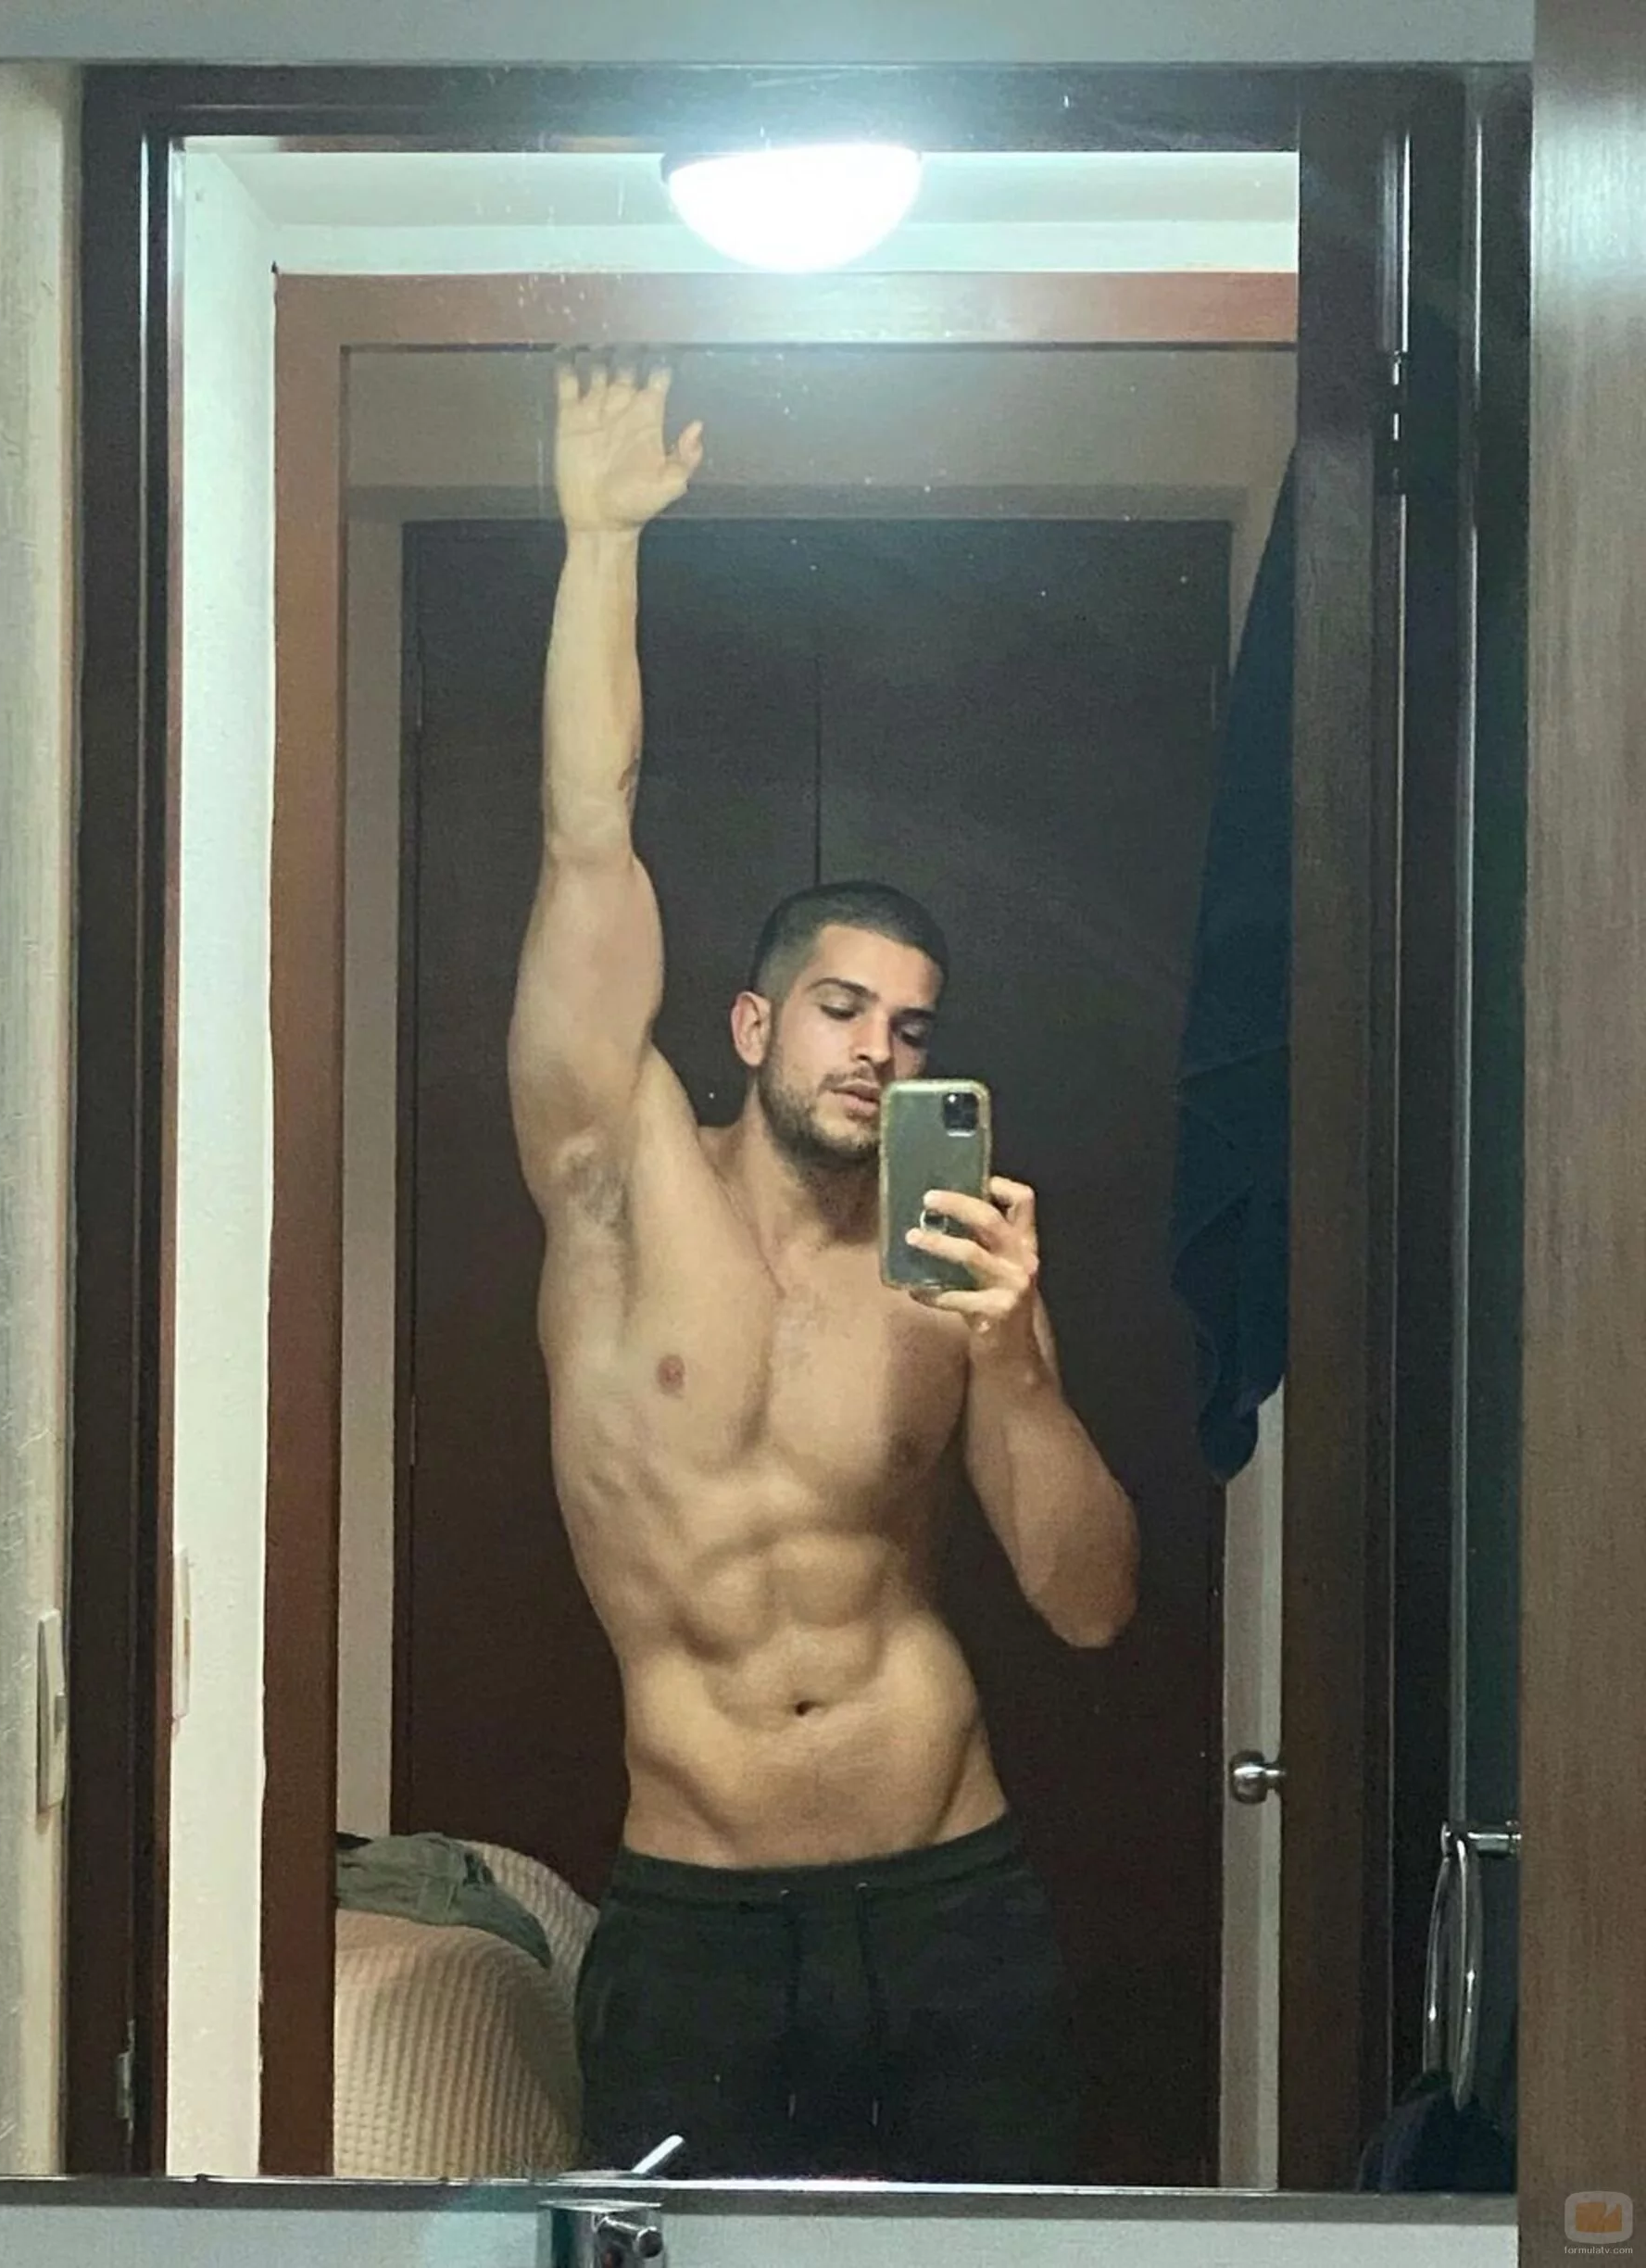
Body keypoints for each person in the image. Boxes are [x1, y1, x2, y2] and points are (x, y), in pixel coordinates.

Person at [509, 359, 1140, 2182]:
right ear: (752, 1023)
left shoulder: (953, 1264)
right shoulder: (612, 1182)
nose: (877, 1049)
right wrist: (600, 542)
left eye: (911, 1026)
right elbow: (583, 838)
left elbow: (1091, 1608)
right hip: (699, 1918)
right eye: (842, 1007)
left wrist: (1017, 1366)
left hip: (953, 1896)